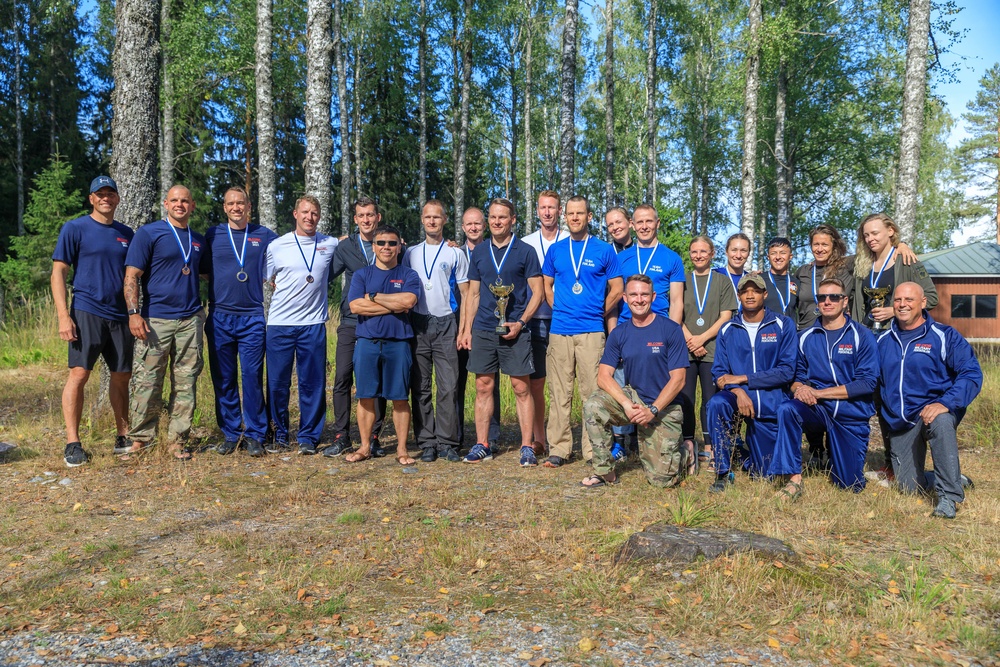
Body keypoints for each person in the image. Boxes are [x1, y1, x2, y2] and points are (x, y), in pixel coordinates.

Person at [876, 282, 982, 519]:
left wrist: (946, 403)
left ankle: (949, 497)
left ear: (923, 303)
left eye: (909, 300)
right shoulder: (883, 341)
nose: (903, 305)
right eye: (898, 300)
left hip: (934, 413)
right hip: (902, 422)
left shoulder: (944, 336)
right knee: (908, 487)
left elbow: (971, 374)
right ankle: (952, 477)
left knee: (942, 420)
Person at [51, 176, 135, 466]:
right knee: (79, 374)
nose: (106, 198)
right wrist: (64, 316)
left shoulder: (127, 233)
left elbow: (134, 276)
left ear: (117, 199)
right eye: (100, 194)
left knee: (122, 376)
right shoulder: (75, 228)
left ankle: (123, 436)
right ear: (91, 198)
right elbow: (58, 272)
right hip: (86, 311)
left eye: (110, 193)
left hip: (120, 315)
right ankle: (73, 443)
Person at [773, 278, 878, 499]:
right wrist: (800, 389)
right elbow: (795, 377)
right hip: (818, 410)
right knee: (788, 408)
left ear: (845, 302)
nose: (827, 301)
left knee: (849, 486)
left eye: (834, 297)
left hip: (850, 414)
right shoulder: (805, 337)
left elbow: (867, 382)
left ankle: (833, 453)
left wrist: (818, 393)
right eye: (822, 297)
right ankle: (794, 479)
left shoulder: (862, 335)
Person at [122, 185, 206, 460]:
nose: (180, 205)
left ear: (192, 206)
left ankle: (176, 441)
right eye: (174, 200)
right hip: (155, 320)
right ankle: (141, 439)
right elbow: (132, 275)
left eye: (185, 200)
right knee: (148, 382)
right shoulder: (149, 233)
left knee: (185, 382)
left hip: (190, 320)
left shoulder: (198, 239)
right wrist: (134, 312)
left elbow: (208, 274)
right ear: (165, 204)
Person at [581, 274, 689, 488]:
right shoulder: (619, 333)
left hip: (665, 405)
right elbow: (603, 376)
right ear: (624, 297)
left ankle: (686, 451)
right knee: (593, 405)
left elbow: (679, 379)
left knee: (662, 482)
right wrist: (626, 405)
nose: (639, 299)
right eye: (633, 295)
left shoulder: (670, 329)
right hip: (636, 399)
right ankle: (604, 471)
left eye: (644, 294)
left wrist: (654, 410)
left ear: (653, 296)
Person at [457, 198, 543, 465]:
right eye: (492, 217)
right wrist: (467, 329)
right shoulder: (479, 252)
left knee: (521, 387)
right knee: (483, 386)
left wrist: (521, 323)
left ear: (513, 219)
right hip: (483, 329)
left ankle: (527, 446)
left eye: (502, 217)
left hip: (515, 329)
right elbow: (472, 293)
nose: (496, 222)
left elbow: (538, 292)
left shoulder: (525, 251)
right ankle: (482, 443)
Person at [541, 195, 622, 468]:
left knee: (591, 392)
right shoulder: (556, 250)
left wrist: (598, 311)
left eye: (580, 213)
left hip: (591, 331)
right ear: (566, 216)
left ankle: (592, 450)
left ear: (589, 217)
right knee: (560, 393)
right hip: (560, 330)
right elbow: (546, 285)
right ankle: (560, 449)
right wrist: (560, 309)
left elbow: (618, 288)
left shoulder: (603, 250)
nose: (575, 218)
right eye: (571, 214)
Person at [203, 187, 277, 457]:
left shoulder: (264, 235)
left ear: (249, 206)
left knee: (252, 377)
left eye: (240, 203)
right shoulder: (212, 235)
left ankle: (256, 434)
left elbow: (289, 252)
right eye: (230, 203)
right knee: (223, 378)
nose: (236, 207)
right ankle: (231, 432)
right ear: (224, 207)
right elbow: (200, 271)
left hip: (252, 317)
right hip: (220, 315)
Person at [706, 274, 797, 492]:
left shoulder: (783, 325)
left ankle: (739, 453)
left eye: (755, 290)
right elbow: (719, 371)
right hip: (737, 397)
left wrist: (745, 378)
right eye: (745, 291)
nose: (750, 295)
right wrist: (738, 390)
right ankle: (722, 472)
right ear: (738, 296)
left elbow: (786, 371)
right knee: (716, 404)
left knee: (765, 475)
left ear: (764, 294)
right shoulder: (728, 329)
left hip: (769, 402)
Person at [264, 196, 339, 455]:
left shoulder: (329, 244)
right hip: (280, 324)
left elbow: (359, 245)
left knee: (313, 383)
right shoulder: (277, 246)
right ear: (295, 214)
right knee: (277, 383)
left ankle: (308, 437)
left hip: (313, 324)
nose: (310, 217)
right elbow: (266, 276)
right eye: (305, 212)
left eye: (315, 213)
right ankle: (278, 435)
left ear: (319, 216)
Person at [345, 225, 422, 465]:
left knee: (400, 399)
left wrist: (374, 297)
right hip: (367, 342)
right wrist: (393, 304)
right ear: (374, 246)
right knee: (365, 397)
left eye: (391, 243)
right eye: (381, 243)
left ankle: (401, 450)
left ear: (400, 246)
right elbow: (356, 306)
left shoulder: (408, 274)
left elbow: (408, 302)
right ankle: (365, 446)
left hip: (398, 343)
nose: (386, 247)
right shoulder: (362, 275)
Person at [405, 201, 469, 463]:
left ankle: (448, 442)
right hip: (418, 323)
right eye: (427, 217)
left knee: (448, 386)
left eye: (437, 217)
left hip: (446, 323)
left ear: (445, 220)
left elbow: (466, 294)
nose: (432, 221)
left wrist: (463, 328)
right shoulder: (409, 252)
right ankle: (427, 441)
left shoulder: (456, 253)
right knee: (420, 386)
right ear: (422, 220)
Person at [327, 197, 388, 457]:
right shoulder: (346, 247)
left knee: (378, 380)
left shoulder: (389, 243)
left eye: (370, 215)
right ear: (355, 219)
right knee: (342, 377)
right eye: (361, 215)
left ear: (378, 217)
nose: (366, 219)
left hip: (381, 321)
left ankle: (373, 436)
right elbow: (322, 274)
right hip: (351, 321)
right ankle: (342, 436)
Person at [679, 235, 736, 470]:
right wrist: (691, 340)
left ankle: (711, 447)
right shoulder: (681, 279)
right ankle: (688, 444)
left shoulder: (722, 281)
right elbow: (676, 314)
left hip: (712, 349)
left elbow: (726, 317)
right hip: (686, 348)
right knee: (686, 399)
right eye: (694, 252)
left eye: (704, 251)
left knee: (710, 401)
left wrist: (701, 338)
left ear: (712, 253)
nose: (699, 256)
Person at [521, 190, 567, 456]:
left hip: (565, 321)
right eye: (543, 208)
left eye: (552, 207)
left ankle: (564, 437)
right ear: (536, 211)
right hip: (535, 320)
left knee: (564, 383)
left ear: (559, 211)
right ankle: (540, 438)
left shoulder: (571, 241)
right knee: (536, 383)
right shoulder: (526, 243)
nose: (547, 212)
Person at [456, 207, 501, 448]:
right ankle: (457, 435)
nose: (473, 227)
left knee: (488, 382)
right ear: (463, 227)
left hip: (488, 325)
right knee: (458, 380)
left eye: (477, 223)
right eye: (468, 224)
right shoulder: (454, 251)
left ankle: (491, 437)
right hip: (457, 325)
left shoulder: (494, 251)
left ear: (484, 225)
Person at [852, 212, 937, 331]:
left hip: (896, 333)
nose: (870, 239)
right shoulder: (861, 263)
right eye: (866, 235)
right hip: (866, 333)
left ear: (890, 231)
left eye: (875, 233)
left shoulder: (907, 260)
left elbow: (931, 297)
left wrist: (895, 310)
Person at [615, 204, 685, 324]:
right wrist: (613, 333)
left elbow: (676, 302)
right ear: (632, 224)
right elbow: (614, 298)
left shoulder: (672, 258)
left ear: (657, 223)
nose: (644, 227)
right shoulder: (620, 258)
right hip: (626, 326)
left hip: (659, 326)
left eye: (649, 221)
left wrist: (673, 334)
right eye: (640, 222)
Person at [761, 237, 798, 318]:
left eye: (783, 253)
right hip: (767, 330)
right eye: (773, 253)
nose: (778, 257)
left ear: (790, 256)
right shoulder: (759, 280)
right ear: (768, 257)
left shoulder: (796, 283)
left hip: (790, 330)